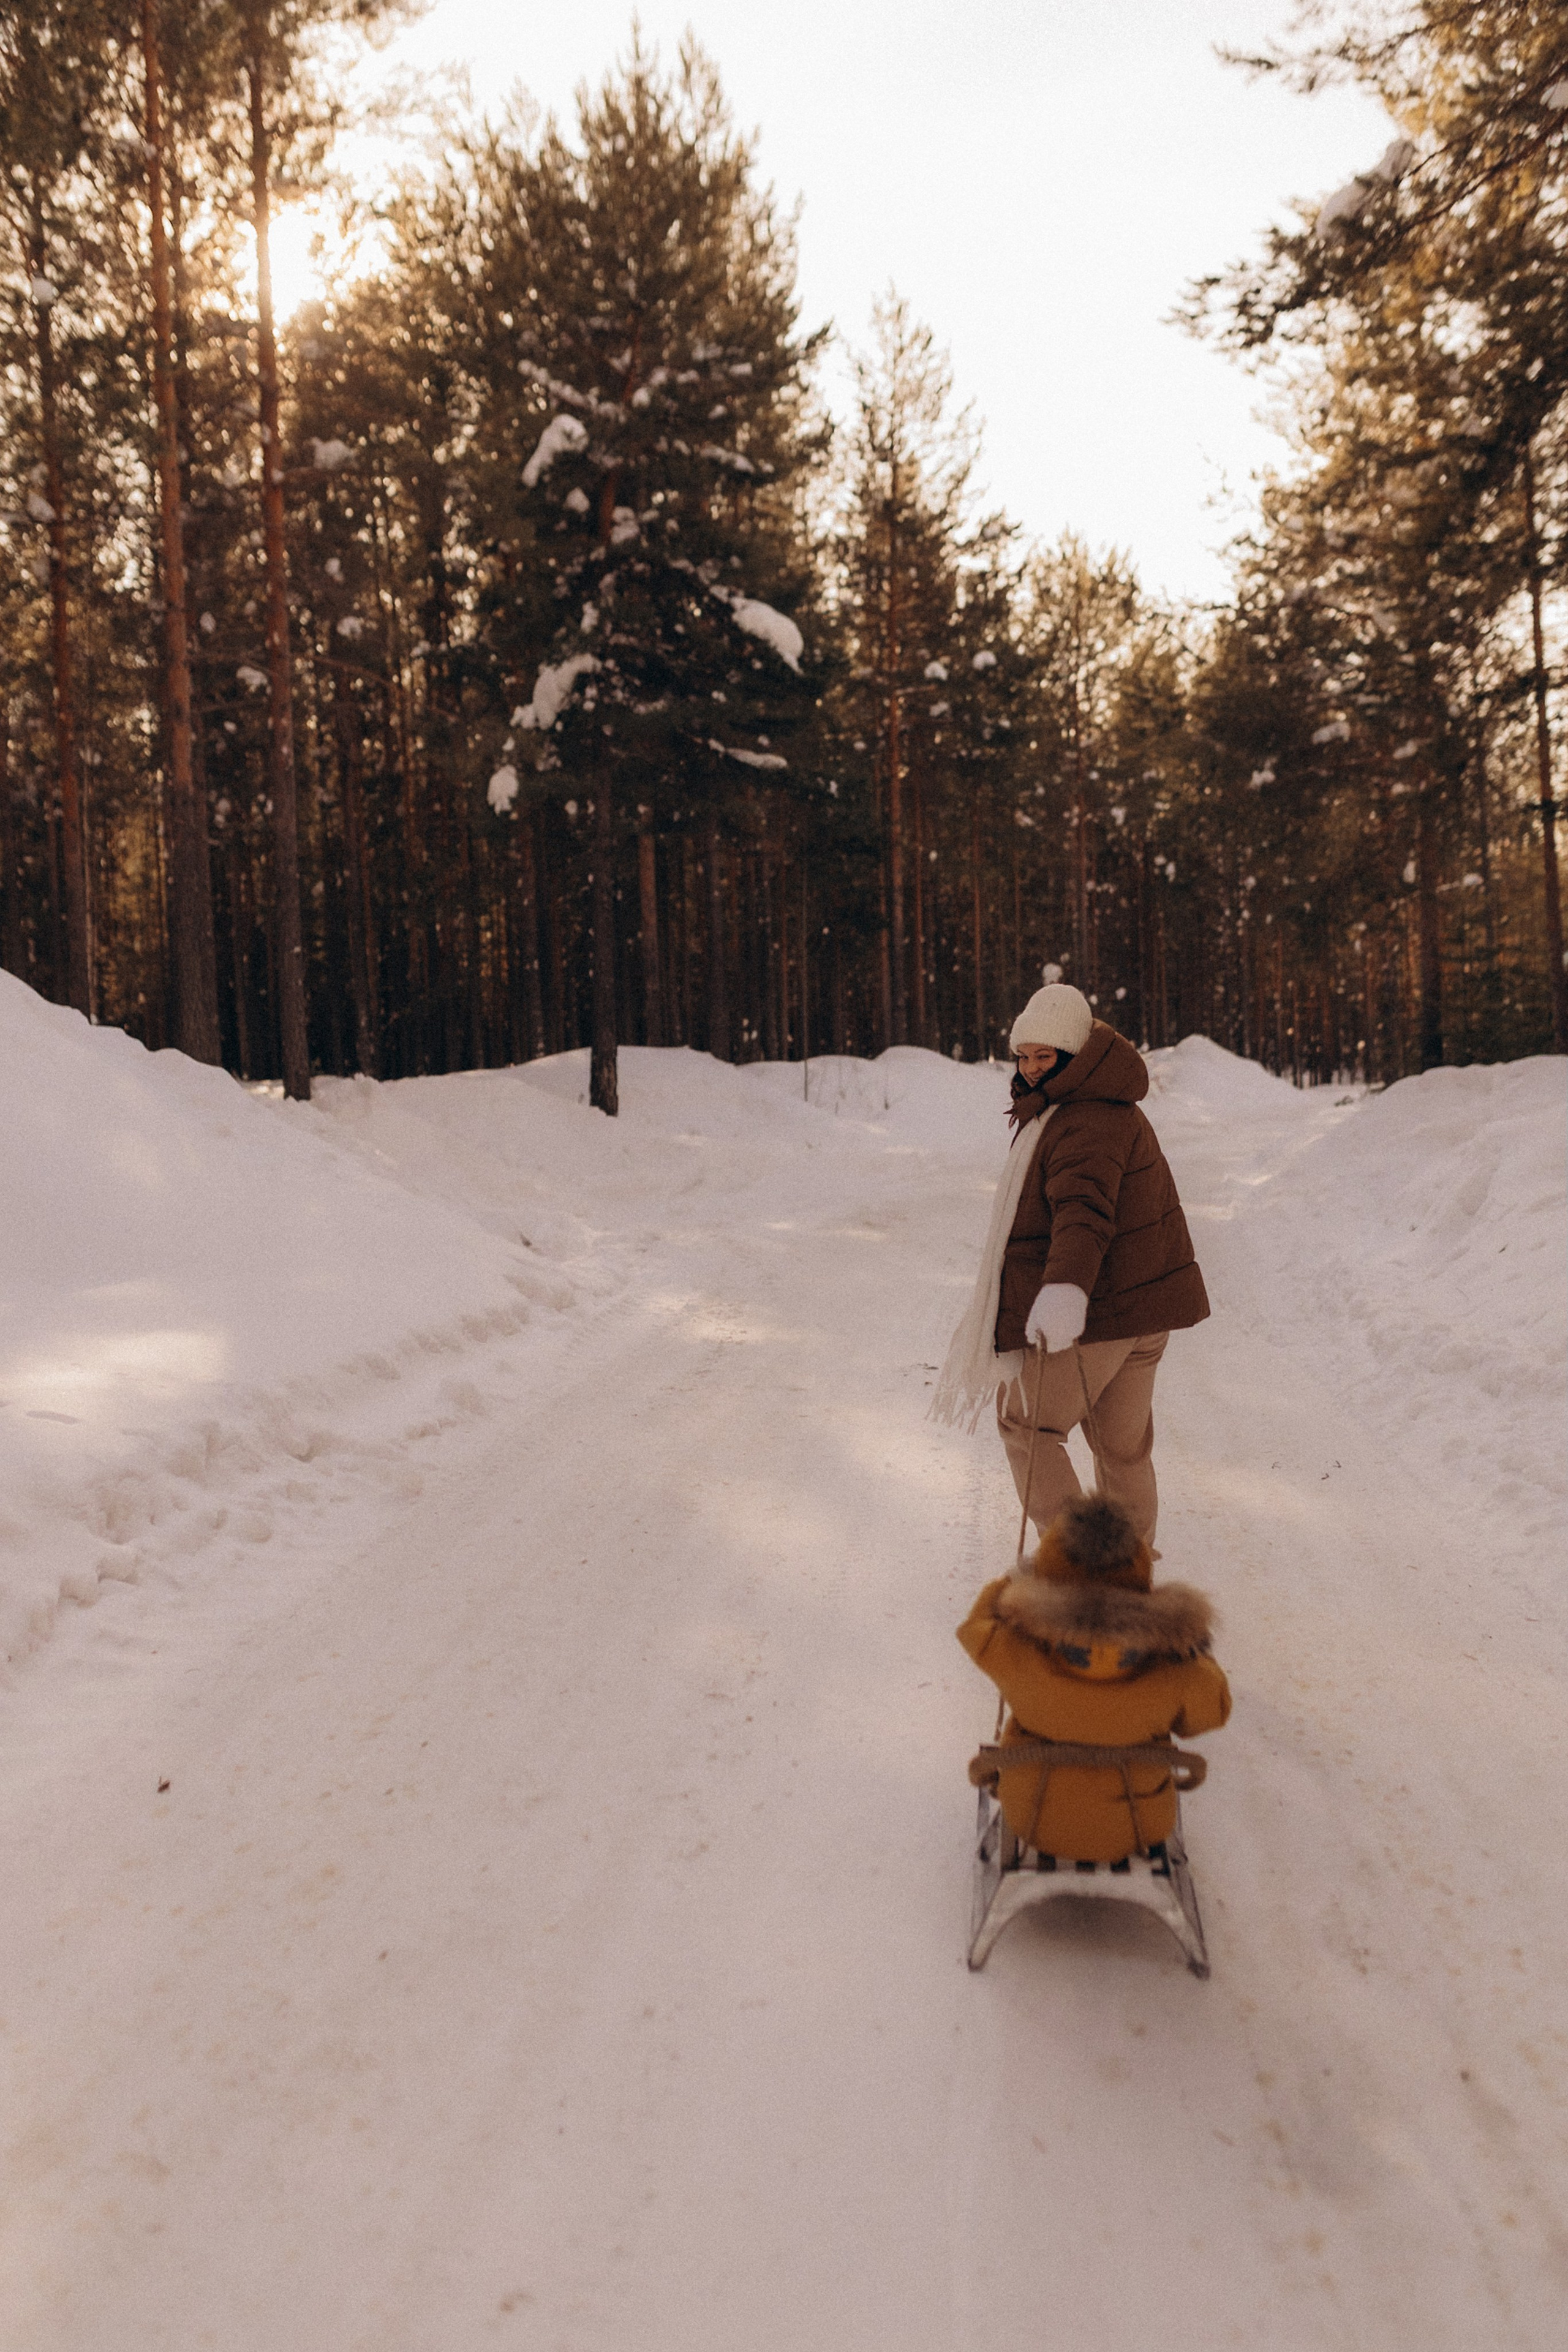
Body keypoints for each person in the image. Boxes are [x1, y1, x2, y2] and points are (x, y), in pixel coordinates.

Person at [930, 981, 1207, 1548]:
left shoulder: (1083, 1120)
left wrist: (1064, 1290)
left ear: (1074, 1055)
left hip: (1101, 1316)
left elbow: (1084, 1213)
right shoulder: (1106, 1106)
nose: (1032, 1069)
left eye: (1045, 1057)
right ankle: (1130, 1586)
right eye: (1024, 1056)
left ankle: (1085, 1570)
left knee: (1024, 1424)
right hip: (1142, 1315)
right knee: (1122, 1450)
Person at [956, 1492, 1231, 1861]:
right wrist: (1192, 1643)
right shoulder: (1176, 1667)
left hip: (1033, 1816)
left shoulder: (1014, 1650)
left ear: (1048, 1571)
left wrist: (1012, 1582)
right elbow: (1208, 1717)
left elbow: (975, 1628)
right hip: (1139, 1821)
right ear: (1139, 1572)